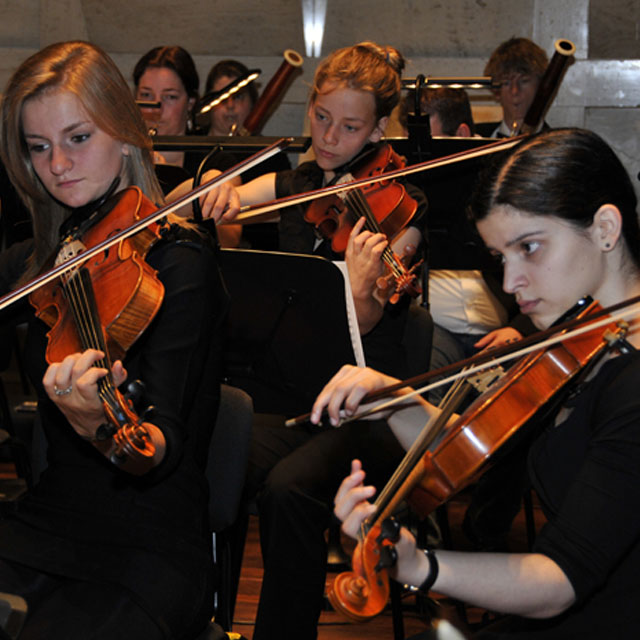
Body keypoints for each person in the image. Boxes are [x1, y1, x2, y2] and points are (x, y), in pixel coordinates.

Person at [315, 128, 640, 638]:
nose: (510, 284)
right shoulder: (581, 337)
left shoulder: (631, 379)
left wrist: (418, 566)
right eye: (501, 259)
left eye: (529, 248)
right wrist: (395, 399)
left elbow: (559, 579)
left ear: (604, 228)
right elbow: (472, 448)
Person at [193, 41, 428, 639]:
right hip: (293, 398)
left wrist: (361, 284)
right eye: (321, 118)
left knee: (288, 490)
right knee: (198, 448)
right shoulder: (300, 181)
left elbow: (365, 328)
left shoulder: (402, 210)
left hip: (371, 411)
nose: (329, 138)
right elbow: (195, 207)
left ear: (379, 127)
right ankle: (200, 617)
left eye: (350, 127)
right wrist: (217, 189)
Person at [0, 41, 229, 639]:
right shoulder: (46, 259)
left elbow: (159, 448)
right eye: (39, 147)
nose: (57, 165)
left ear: (127, 133)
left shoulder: (180, 263)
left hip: (146, 549)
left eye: (78, 138)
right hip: (49, 521)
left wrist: (97, 424)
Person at [133, 45, 242, 247]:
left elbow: (230, 239)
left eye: (170, 97)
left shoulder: (215, 159)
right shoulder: (120, 157)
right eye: (146, 96)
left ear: (190, 102)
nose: (157, 108)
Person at [476, 37, 548, 138]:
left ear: (540, 86)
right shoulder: (475, 137)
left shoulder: (558, 144)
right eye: (506, 83)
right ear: (496, 91)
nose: (515, 91)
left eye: (524, 81)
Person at [204, 59, 258, 137]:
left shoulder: (268, 148)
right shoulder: (189, 145)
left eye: (238, 97)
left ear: (252, 102)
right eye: (222, 98)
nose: (230, 106)